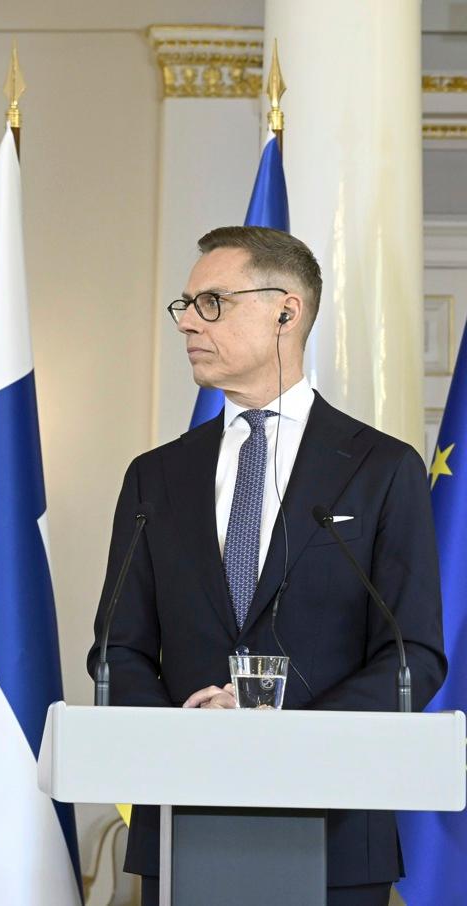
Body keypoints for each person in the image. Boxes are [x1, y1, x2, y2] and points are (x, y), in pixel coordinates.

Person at [87, 226, 447, 906]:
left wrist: (283, 734)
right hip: (180, 825)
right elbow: (117, 648)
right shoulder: (155, 477)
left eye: (212, 302)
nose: (188, 321)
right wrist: (189, 733)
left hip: (337, 833)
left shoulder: (381, 469)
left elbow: (413, 655)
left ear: (287, 311)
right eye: (185, 306)